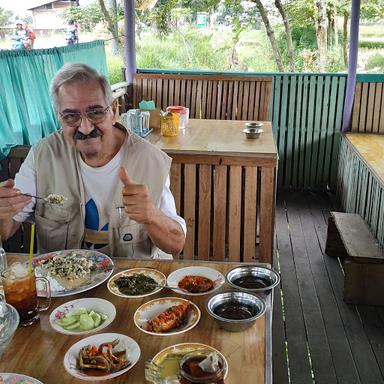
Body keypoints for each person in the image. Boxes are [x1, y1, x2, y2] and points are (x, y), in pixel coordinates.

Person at [0, 63, 186, 259]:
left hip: (130, 284)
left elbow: (176, 245)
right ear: (59, 119)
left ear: (114, 111)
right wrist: (3, 210)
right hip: (58, 284)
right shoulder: (43, 155)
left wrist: (151, 215)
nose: (86, 127)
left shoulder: (149, 160)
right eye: (71, 116)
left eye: (96, 112)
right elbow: (7, 229)